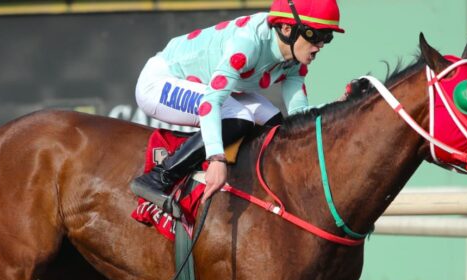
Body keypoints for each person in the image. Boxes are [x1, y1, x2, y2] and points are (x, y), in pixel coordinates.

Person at [131, 0, 344, 210]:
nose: (320, 45)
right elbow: (210, 102)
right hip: (159, 81)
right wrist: (216, 158)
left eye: (328, 37)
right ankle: (158, 178)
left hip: (202, 87)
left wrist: (337, 108)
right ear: (287, 28)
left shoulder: (294, 61)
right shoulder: (249, 42)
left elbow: (299, 116)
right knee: (239, 116)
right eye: (315, 35)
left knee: (275, 123)